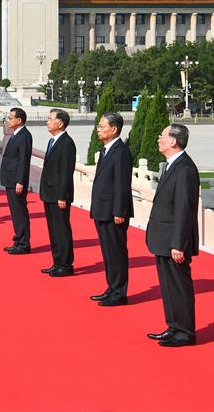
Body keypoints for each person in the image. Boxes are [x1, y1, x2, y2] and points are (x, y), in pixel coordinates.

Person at [145, 124, 199, 347]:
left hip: (174, 241)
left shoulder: (185, 168)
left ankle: (185, 332)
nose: (159, 139)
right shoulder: (171, 165)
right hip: (163, 238)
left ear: (173, 141)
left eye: (162, 136)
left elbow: (184, 209)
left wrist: (178, 244)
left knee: (178, 285)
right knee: (168, 287)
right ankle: (173, 326)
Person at [90, 112, 133, 306]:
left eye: (102, 126)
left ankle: (119, 293)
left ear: (114, 129)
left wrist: (119, 211)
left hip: (114, 212)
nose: (98, 129)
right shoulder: (107, 150)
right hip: (102, 209)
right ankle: (112, 287)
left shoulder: (121, 152)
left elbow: (122, 185)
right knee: (108, 252)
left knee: (116, 252)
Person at [39, 109, 77, 277]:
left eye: (50, 119)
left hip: (59, 195)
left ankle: (66, 264)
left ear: (60, 123)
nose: (47, 122)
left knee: (61, 229)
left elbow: (66, 172)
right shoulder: (52, 141)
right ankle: (57, 262)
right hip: (49, 192)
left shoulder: (67, 143)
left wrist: (62, 195)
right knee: (53, 230)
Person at [0, 107, 32, 254]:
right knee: (15, 211)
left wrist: (20, 181)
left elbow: (23, 160)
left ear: (19, 120)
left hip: (16, 180)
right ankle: (18, 239)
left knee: (19, 211)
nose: (8, 120)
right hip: (10, 178)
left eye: (10, 118)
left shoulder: (24, 135)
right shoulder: (16, 134)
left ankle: (24, 243)